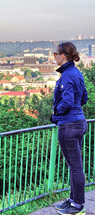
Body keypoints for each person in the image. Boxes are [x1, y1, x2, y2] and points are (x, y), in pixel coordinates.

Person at [51, 42, 88, 215]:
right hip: (79, 122)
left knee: (75, 167)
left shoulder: (66, 76)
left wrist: (56, 113)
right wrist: (75, 111)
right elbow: (84, 98)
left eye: (55, 54)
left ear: (63, 55)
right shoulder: (76, 73)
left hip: (69, 126)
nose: (54, 57)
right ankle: (73, 201)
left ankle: (77, 205)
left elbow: (66, 101)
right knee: (75, 166)